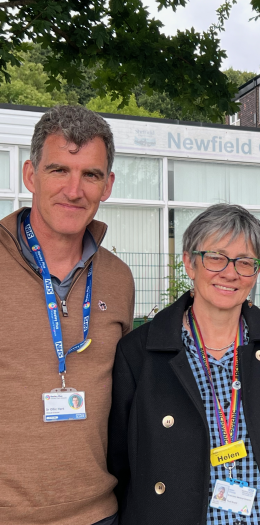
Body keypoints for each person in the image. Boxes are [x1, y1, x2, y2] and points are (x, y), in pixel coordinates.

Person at [108, 204, 260, 525]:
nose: (230, 272)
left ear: (256, 272)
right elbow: (121, 463)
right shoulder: (138, 354)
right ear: (190, 263)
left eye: (245, 262)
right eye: (216, 257)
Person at [0, 105, 134, 525]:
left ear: (107, 185)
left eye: (90, 175)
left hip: (99, 513)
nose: (74, 190)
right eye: (59, 170)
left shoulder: (118, 277)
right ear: (30, 175)